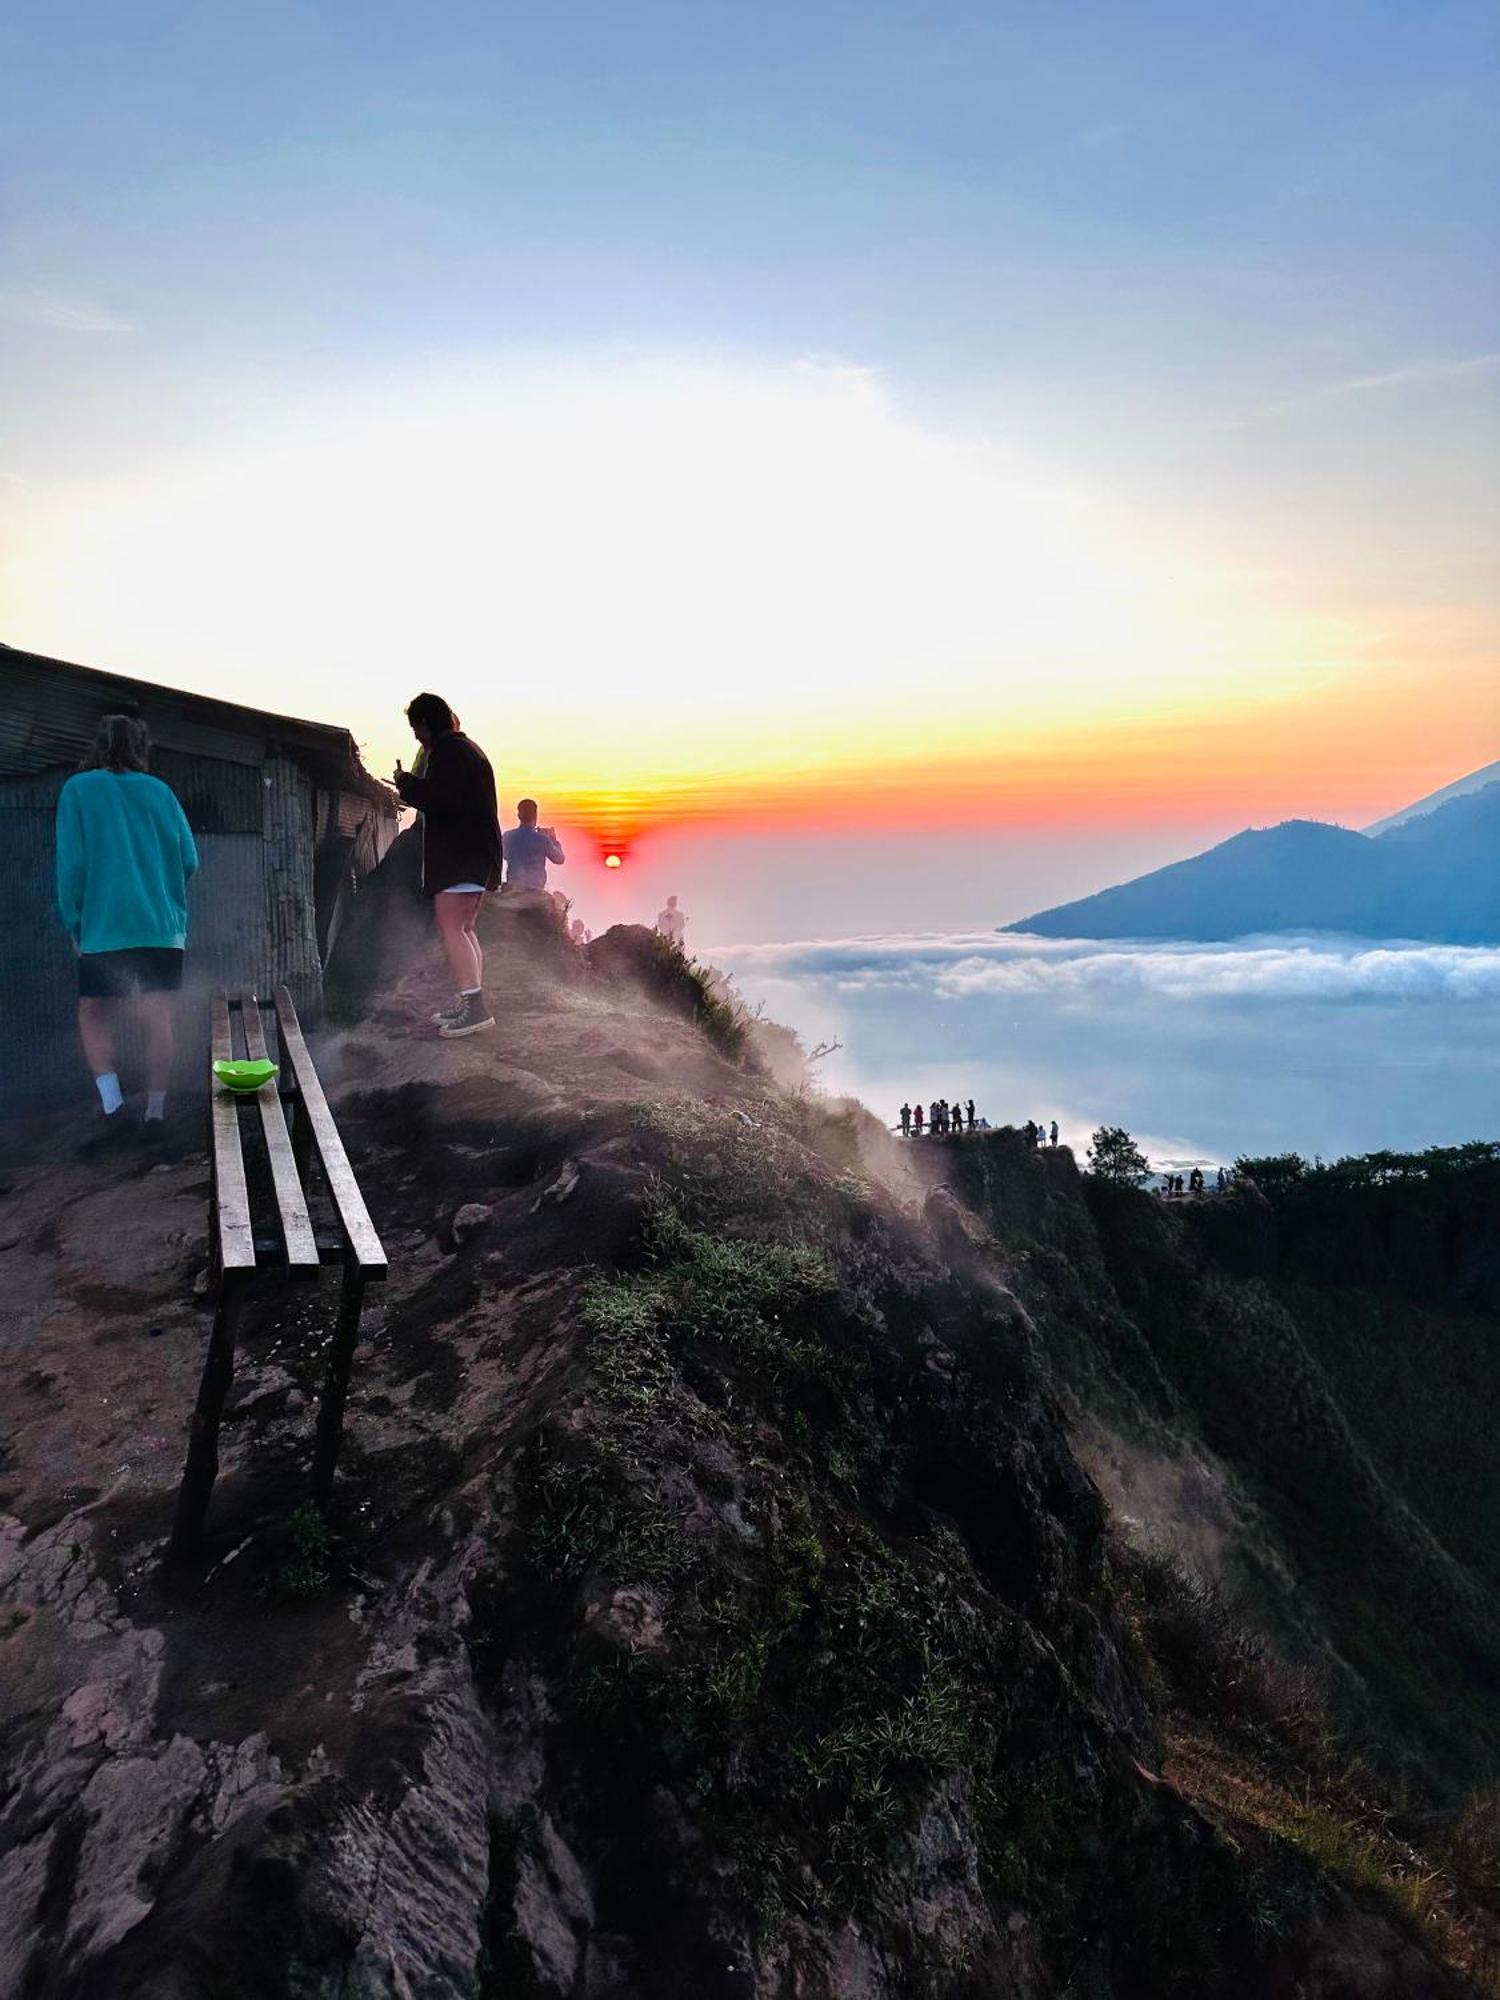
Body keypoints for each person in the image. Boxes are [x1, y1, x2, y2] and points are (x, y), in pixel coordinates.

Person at [56, 713, 199, 1141]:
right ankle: (156, 1111)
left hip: (104, 929)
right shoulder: (161, 792)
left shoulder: (78, 789)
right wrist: (161, 894)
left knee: (93, 1013)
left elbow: (72, 866)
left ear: (98, 745)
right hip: (162, 929)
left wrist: (75, 925)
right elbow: (189, 860)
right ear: (141, 747)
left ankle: (113, 1104)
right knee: (158, 1018)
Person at [393, 694, 503, 1038]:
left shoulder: (448, 753)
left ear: (426, 723)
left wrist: (408, 785)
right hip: (477, 853)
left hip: (460, 856)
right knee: (466, 928)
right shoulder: (468, 748)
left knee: (452, 928)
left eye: (415, 727)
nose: (415, 737)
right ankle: (471, 1001)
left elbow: (443, 801)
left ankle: (475, 1008)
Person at [504, 798, 566, 893]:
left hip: (513, 889)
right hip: (535, 892)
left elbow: (504, 856)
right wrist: (553, 839)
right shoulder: (543, 839)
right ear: (535, 815)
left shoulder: (507, 836)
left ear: (519, 815)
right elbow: (559, 859)